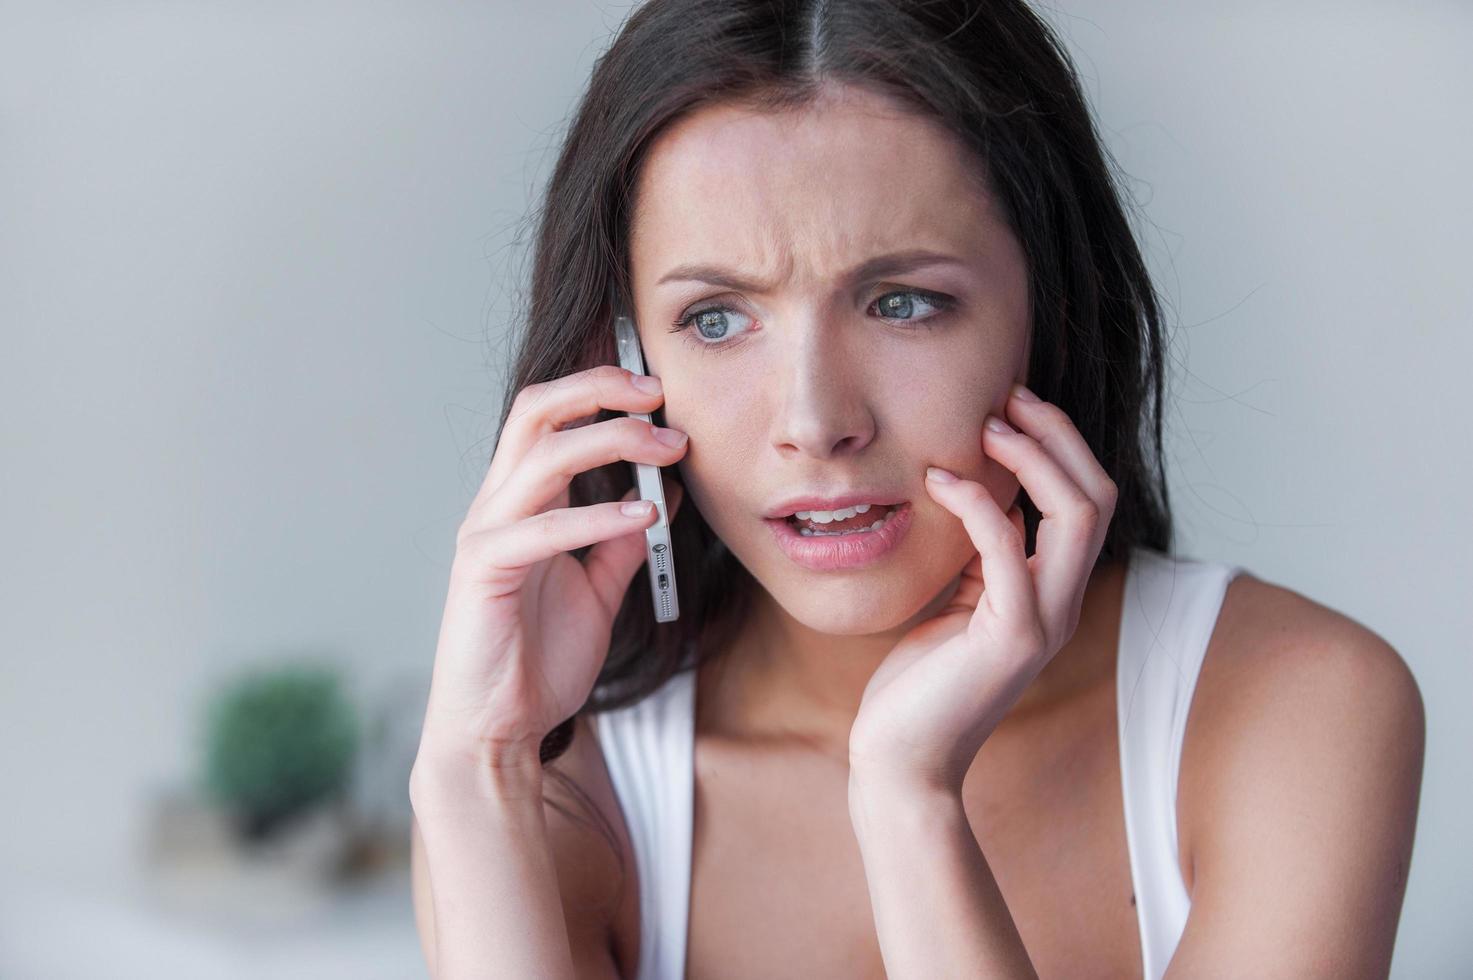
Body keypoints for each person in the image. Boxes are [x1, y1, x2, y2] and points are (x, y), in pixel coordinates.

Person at [407, 1, 1425, 976]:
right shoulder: (555, 794)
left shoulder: (1293, 707)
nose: (814, 419)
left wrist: (908, 798)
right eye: (716, 318)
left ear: (1049, 310)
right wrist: (475, 768)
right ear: (624, 358)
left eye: (903, 302)